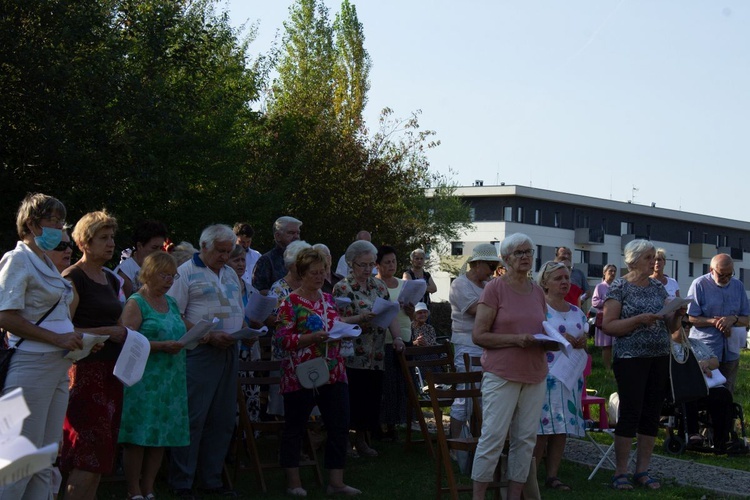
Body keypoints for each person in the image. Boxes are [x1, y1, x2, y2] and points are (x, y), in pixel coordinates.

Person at [0, 193, 82, 500]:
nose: (61, 230)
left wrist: (79, 341)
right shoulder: (17, 259)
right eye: (55, 222)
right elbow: (5, 316)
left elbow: (56, 316)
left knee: (45, 461)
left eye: (63, 223)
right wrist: (58, 339)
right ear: (33, 225)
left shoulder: (45, 262)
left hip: (57, 368)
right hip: (29, 368)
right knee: (17, 462)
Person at [471, 234, 552, 500]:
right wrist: (516, 340)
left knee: (525, 442)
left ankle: (513, 496)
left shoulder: (538, 291)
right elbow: (479, 335)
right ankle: (478, 497)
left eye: (529, 251)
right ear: (505, 259)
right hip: (501, 374)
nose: (526, 256)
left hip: (534, 373)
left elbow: (542, 328)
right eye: (519, 252)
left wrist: (553, 342)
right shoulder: (495, 288)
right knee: (492, 439)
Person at [275, 247, 361, 497]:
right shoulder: (290, 302)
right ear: (301, 273)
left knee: (339, 424)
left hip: (333, 370)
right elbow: (281, 340)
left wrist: (344, 332)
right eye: (314, 272)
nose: (320, 276)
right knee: (295, 426)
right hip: (300, 372)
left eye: (322, 271)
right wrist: (310, 337)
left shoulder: (328, 299)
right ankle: (293, 482)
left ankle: (336, 481)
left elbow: (335, 324)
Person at [167, 224, 245, 498]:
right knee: (194, 417)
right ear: (204, 247)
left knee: (223, 418)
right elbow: (173, 314)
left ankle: (211, 479)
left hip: (230, 349)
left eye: (228, 251)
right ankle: (182, 482)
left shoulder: (230, 274)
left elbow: (238, 307)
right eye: (220, 251)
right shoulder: (185, 273)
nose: (225, 256)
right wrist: (208, 336)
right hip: (200, 351)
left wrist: (246, 330)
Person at [602, 239, 685, 490]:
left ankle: (643, 470)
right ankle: (620, 472)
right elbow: (609, 325)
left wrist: (676, 315)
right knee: (631, 412)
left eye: (654, 257)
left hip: (659, 357)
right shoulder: (619, 287)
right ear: (634, 260)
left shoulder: (658, 288)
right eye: (649, 258)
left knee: (651, 413)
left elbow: (670, 328)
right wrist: (638, 320)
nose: (654, 262)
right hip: (630, 360)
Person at [61, 211, 128, 499]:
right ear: (84, 242)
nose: (111, 243)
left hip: (111, 372)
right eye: (103, 238)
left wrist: (123, 333)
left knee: (102, 452)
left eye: (112, 237)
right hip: (84, 374)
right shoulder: (72, 277)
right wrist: (107, 331)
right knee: (85, 452)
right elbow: (62, 328)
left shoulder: (111, 280)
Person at [119, 252, 189, 500]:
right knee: (139, 435)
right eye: (164, 275)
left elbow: (181, 328)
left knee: (161, 434)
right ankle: (133, 488)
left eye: (173, 275)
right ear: (148, 273)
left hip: (171, 378)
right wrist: (160, 346)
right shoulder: (136, 302)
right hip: (144, 379)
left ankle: (148, 487)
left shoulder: (171, 302)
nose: (169, 280)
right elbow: (126, 340)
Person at [333, 240, 402, 458]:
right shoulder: (342, 287)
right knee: (351, 398)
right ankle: (343, 442)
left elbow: (390, 313)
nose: (368, 269)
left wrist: (398, 337)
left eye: (371, 264)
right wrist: (360, 317)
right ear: (351, 264)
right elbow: (337, 319)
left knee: (370, 398)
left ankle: (361, 440)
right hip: (352, 352)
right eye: (363, 265)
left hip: (376, 352)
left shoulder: (378, 286)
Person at [533, 261, 587, 491]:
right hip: (545, 375)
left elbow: (584, 335)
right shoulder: (538, 309)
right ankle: (530, 478)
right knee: (541, 429)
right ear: (545, 282)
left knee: (562, 427)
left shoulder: (577, 311)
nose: (565, 282)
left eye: (567, 278)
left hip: (569, 376)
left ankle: (553, 476)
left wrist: (583, 342)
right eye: (558, 278)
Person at [447, 243, 500, 438]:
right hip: (467, 345)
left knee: (483, 397)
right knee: (466, 394)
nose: (493, 272)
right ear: (477, 264)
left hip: (485, 345)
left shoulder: (487, 286)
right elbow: (477, 311)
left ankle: (476, 441)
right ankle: (453, 443)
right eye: (491, 266)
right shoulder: (460, 284)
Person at [687, 253, 749, 394]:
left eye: (729, 274)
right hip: (706, 350)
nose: (726, 279)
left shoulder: (738, 286)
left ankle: (726, 416)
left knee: (727, 394)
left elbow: (746, 319)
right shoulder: (699, 284)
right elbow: (691, 318)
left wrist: (733, 319)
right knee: (705, 393)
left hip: (731, 351)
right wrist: (714, 322)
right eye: (721, 275)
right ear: (711, 270)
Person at [375, 245, 413, 441]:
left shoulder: (403, 284)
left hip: (405, 334)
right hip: (385, 338)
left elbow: (412, 314)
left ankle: (399, 421)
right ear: (378, 265)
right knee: (387, 384)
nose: (391, 265)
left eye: (394, 261)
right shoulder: (374, 285)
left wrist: (410, 308)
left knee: (402, 382)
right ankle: (384, 424)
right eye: (387, 262)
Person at [676, 334, 734, 454]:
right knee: (690, 392)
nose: (686, 327)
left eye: (689, 325)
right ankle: (692, 433)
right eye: (683, 324)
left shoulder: (697, 343)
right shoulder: (669, 346)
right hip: (684, 385)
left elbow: (715, 361)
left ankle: (722, 439)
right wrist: (697, 366)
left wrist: (706, 364)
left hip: (705, 383)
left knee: (723, 394)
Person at [115, 220, 168, 298]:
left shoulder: (158, 269)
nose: (158, 252)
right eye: (154, 248)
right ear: (139, 246)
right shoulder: (125, 272)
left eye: (160, 248)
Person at [253, 216, 302, 295]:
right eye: (291, 233)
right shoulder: (266, 260)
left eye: (298, 233)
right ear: (277, 236)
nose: (296, 236)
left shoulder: (303, 259)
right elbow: (258, 291)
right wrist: (284, 295)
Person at [591, 264, 617, 370]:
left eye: (614, 271)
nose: (613, 273)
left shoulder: (617, 286)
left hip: (616, 318)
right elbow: (594, 302)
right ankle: (607, 368)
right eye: (610, 271)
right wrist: (607, 302)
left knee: (615, 344)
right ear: (604, 272)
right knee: (607, 345)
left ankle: (615, 366)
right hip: (604, 318)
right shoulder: (600, 287)